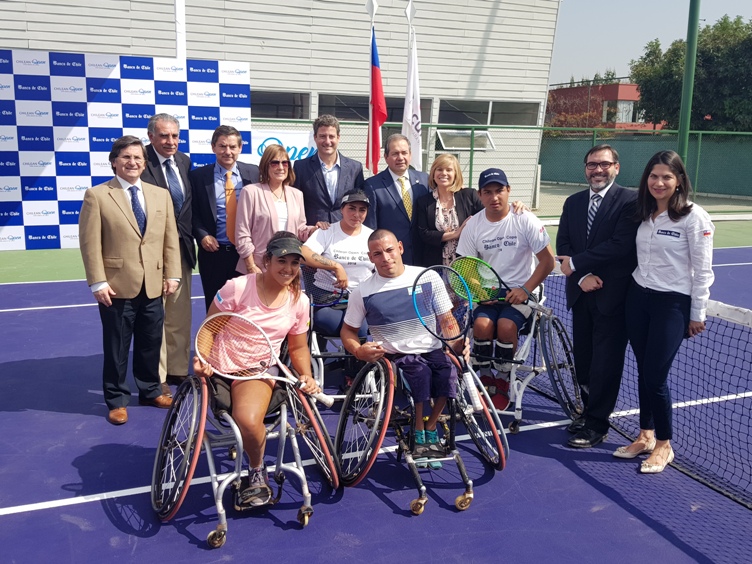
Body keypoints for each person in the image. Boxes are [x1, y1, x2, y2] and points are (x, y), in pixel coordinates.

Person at [193, 232, 320, 506]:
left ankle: (256, 468)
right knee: (243, 420)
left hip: (258, 369)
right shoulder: (236, 287)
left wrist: (306, 375)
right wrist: (201, 357)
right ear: (266, 260)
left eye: (294, 263)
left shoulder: (300, 302)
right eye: (281, 261)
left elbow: (298, 348)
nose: (288, 269)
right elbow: (209, 327)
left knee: (248, 420)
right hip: (218, 365)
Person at [618, 150, 714, 473]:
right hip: (638, 299)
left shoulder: (694, 217)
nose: (659, 183)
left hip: (672, 305)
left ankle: (664, 445)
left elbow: (703, 271)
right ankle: (645, 435)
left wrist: (697, 312)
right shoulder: (643, 213)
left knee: (656, 376)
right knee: (645, 370)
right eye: (654, 176)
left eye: (666, 177)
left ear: (679, 181)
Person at [340, 229, 464, 469]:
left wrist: (458, 344)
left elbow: (446, 319)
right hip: (396, 355)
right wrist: (358, 351)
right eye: (378, 254)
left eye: (389, 250)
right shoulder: (362, 292)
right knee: (421, 374)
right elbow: (347, 331)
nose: (385, 258)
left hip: (431, 348)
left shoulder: (428, 277)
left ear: (400, 247)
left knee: (449, 371)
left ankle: (431, 427)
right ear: (370, 257)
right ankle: (418, 431)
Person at [79, 135, 180, 425]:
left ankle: (149, 391)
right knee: (117, 347)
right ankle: (116, 400)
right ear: (114, 162)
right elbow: (90, 243)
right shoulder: (97, 195)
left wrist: (172, 274)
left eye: (137, 157)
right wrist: (98, 282)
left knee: (150, 342)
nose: (132, 162)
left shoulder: (159, 195)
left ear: (144, 163)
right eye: (126, 157)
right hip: (116, 285)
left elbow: (169, 238)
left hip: (153, 283)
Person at [556, 144, 639, 449]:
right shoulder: (573, 202)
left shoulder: (630, 201)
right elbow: (563, 243)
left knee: (606, 363)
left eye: (604, 164)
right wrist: (581, 276)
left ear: (616, 167)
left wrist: (577, 264)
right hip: (581, 294)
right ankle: (589, 411)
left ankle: (597, 423)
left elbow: (620, 245)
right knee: (585, 361)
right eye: (592, 165)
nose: (598, 170)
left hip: (613, 298)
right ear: (585, 169)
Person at [456, 168, 555, 411]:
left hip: (523, 292)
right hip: (489, 295)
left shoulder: (525, 219)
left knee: (506, 326)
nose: (494, 197)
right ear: (480, 195)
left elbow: (548, 261)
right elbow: (466, 268)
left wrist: (525, 288)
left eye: (499, 190)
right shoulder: (473, 225)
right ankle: (484, 377)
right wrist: (480, 292)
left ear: (508, 190)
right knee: (481, 326)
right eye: (487, 192)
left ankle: (502, 379)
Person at [140, 113, 195, 393]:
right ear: (151, 137)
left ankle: (176, 370)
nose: (170, 141)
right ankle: (157, 378)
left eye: (174, 135)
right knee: (155, 320)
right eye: (164, 136)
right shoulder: (140, 162)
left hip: (182, 251)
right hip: (150, 253)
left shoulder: (184, 161)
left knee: (179, 315)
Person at [191, 125, 260, 311]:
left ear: (240, 148)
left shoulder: (254, 173)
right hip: (214, 254)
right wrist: (202, 234)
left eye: (232, 147)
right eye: (222, 146)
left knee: (247, 308)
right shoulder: (198, 176)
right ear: (213, 147)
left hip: (246, 255)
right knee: (215, 309)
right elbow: (192, 212)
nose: (227, 152)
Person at [235, 144, 320, 274]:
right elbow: (242, 234)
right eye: (275, 163)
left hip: (288, 268)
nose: (280, 167)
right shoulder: (250, 192)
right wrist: (251, 266)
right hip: (259, 267)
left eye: (285, 163)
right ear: (265, 166)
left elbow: (300, 230)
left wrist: (313, 230)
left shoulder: (296, 194)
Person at [303, 189, 374, 338]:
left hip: (362, 300)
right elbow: (304, 254)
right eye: (351, 209)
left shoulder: (371, 236)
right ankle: (345, 361)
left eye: (362, 210)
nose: (356, 214)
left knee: (361, 327)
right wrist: (336, 266)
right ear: (342, 209)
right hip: (328, 300)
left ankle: (352, 361)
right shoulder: (326, 232)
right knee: (344, 326)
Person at [363, 134, 429, 265]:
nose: (400, 158)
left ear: (410, 155)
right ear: (386, 157)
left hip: (423, 255)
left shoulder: (425, 180)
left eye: (404, 153)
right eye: (395, 153)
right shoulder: (372, 185)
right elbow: (371, 227)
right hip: (391, 259)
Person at [292, 114, 365, 223]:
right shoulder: (300, 167)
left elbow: (360, 203)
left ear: (338, 138)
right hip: (313, 232)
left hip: (344, 230)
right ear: (315, 138)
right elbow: (295, 204)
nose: (327, 141)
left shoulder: (355, 168)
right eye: (322, 136)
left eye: (331, 136)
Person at [415, 154, 484, 268]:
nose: (444, 173)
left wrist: (513, 206)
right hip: (436, 265)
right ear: (433, 173)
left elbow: (490, 214)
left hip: (467, 263)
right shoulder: (424, 202)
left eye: (449, 170)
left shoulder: (469, 195)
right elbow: (424, 234)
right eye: (439, 169)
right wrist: (454, 234)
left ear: (455, 174)